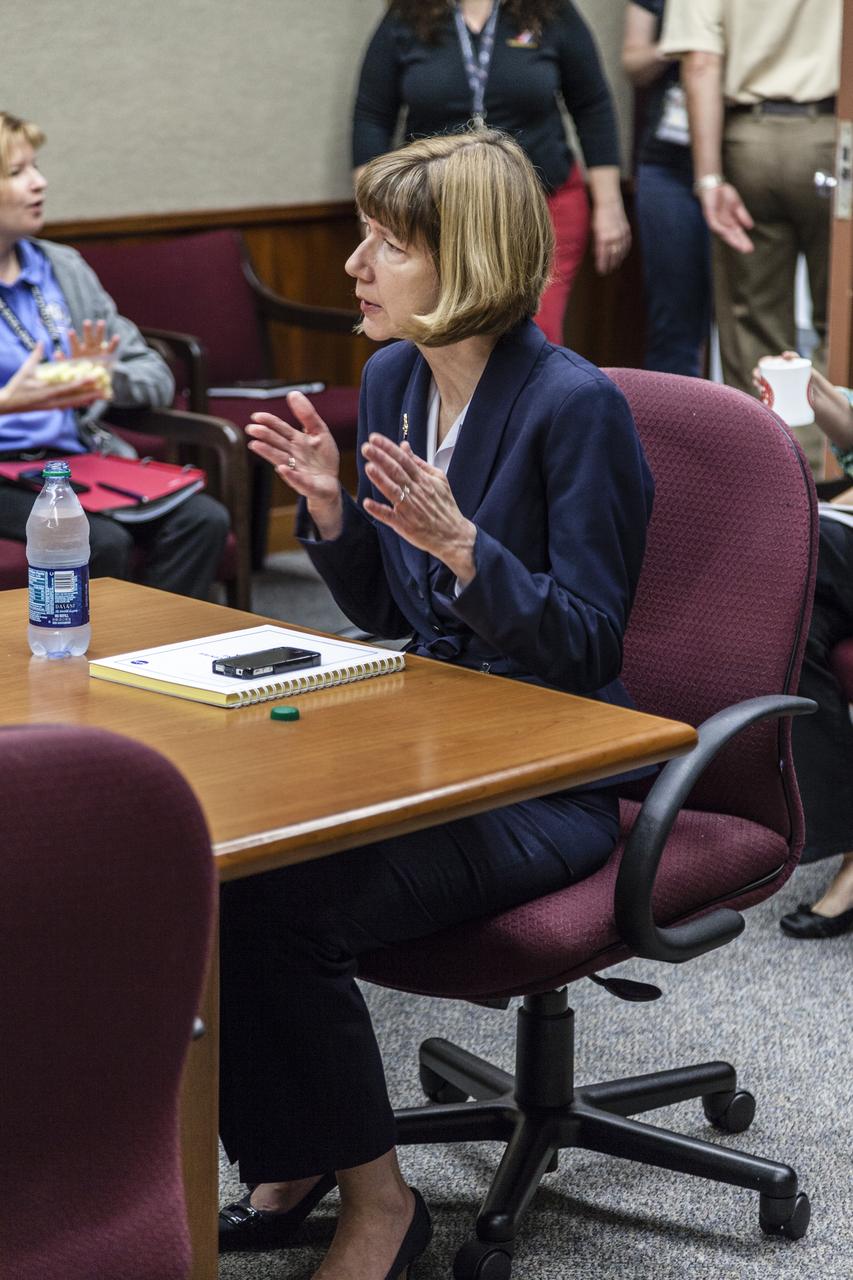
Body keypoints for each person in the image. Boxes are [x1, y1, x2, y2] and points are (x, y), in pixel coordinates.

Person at [216, 128, 653, 1278]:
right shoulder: (397, 377)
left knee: (284, 907)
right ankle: (300, 1148)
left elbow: (587, 646)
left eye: (387, 244)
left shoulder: (576, 407)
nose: (355, 264)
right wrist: (331, 516)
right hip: (434, 740)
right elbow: (392, 608)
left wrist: (468, 548)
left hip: (548, 775)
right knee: (219, 863)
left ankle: (379, 1204)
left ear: (464, 261)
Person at [0, 110, 229, 599]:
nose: (40, 183)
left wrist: (97, 381)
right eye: (17, 173)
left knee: (203, 520)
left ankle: (156, 655)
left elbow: (154, 375)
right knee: (100, 540)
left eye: (35, 166)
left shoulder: (62, 268)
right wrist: (8, 403)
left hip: (70, 461)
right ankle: (84, 666)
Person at [352, 0, 631, 345]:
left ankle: (526, 401)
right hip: (434, 216)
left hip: (542, 204)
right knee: (440, 333)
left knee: (530, 335)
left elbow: (592, 105)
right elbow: (371, 116)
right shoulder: (408, 15)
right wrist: (374, 214)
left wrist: (609, 204)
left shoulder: (550, 11)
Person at [660, 0, 841, 466]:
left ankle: (772, 471)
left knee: (752, 325)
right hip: (836, 133)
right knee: (842, 322)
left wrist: (709, 179)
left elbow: (700, 62)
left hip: (749, 142)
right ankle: (835, 474)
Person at [754, 353, 853, 939]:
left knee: (779, 542)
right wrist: (813, 390)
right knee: (789, 629)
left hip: (832, 530)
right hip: (836, 525)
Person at [621, 0, 710, 376]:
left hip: (742, 158)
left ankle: (755, 432)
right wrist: (675, 45)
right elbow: (632, 62)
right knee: (672, 322)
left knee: (747, 319)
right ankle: (675, 431)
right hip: (666, 164)